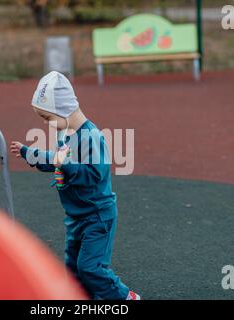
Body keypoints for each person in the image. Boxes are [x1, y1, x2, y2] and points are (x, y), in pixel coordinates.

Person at [10, 71, 140, 300]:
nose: (45, 123)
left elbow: (95, 174)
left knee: (91, 268)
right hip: (76, 216)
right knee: (73, 269)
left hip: (97, 215)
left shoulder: (91, 137)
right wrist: (29, 153)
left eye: (47, 117)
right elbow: (56, 160)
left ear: (63, 110)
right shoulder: (65, 133)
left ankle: (125, 298)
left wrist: (65, 163)